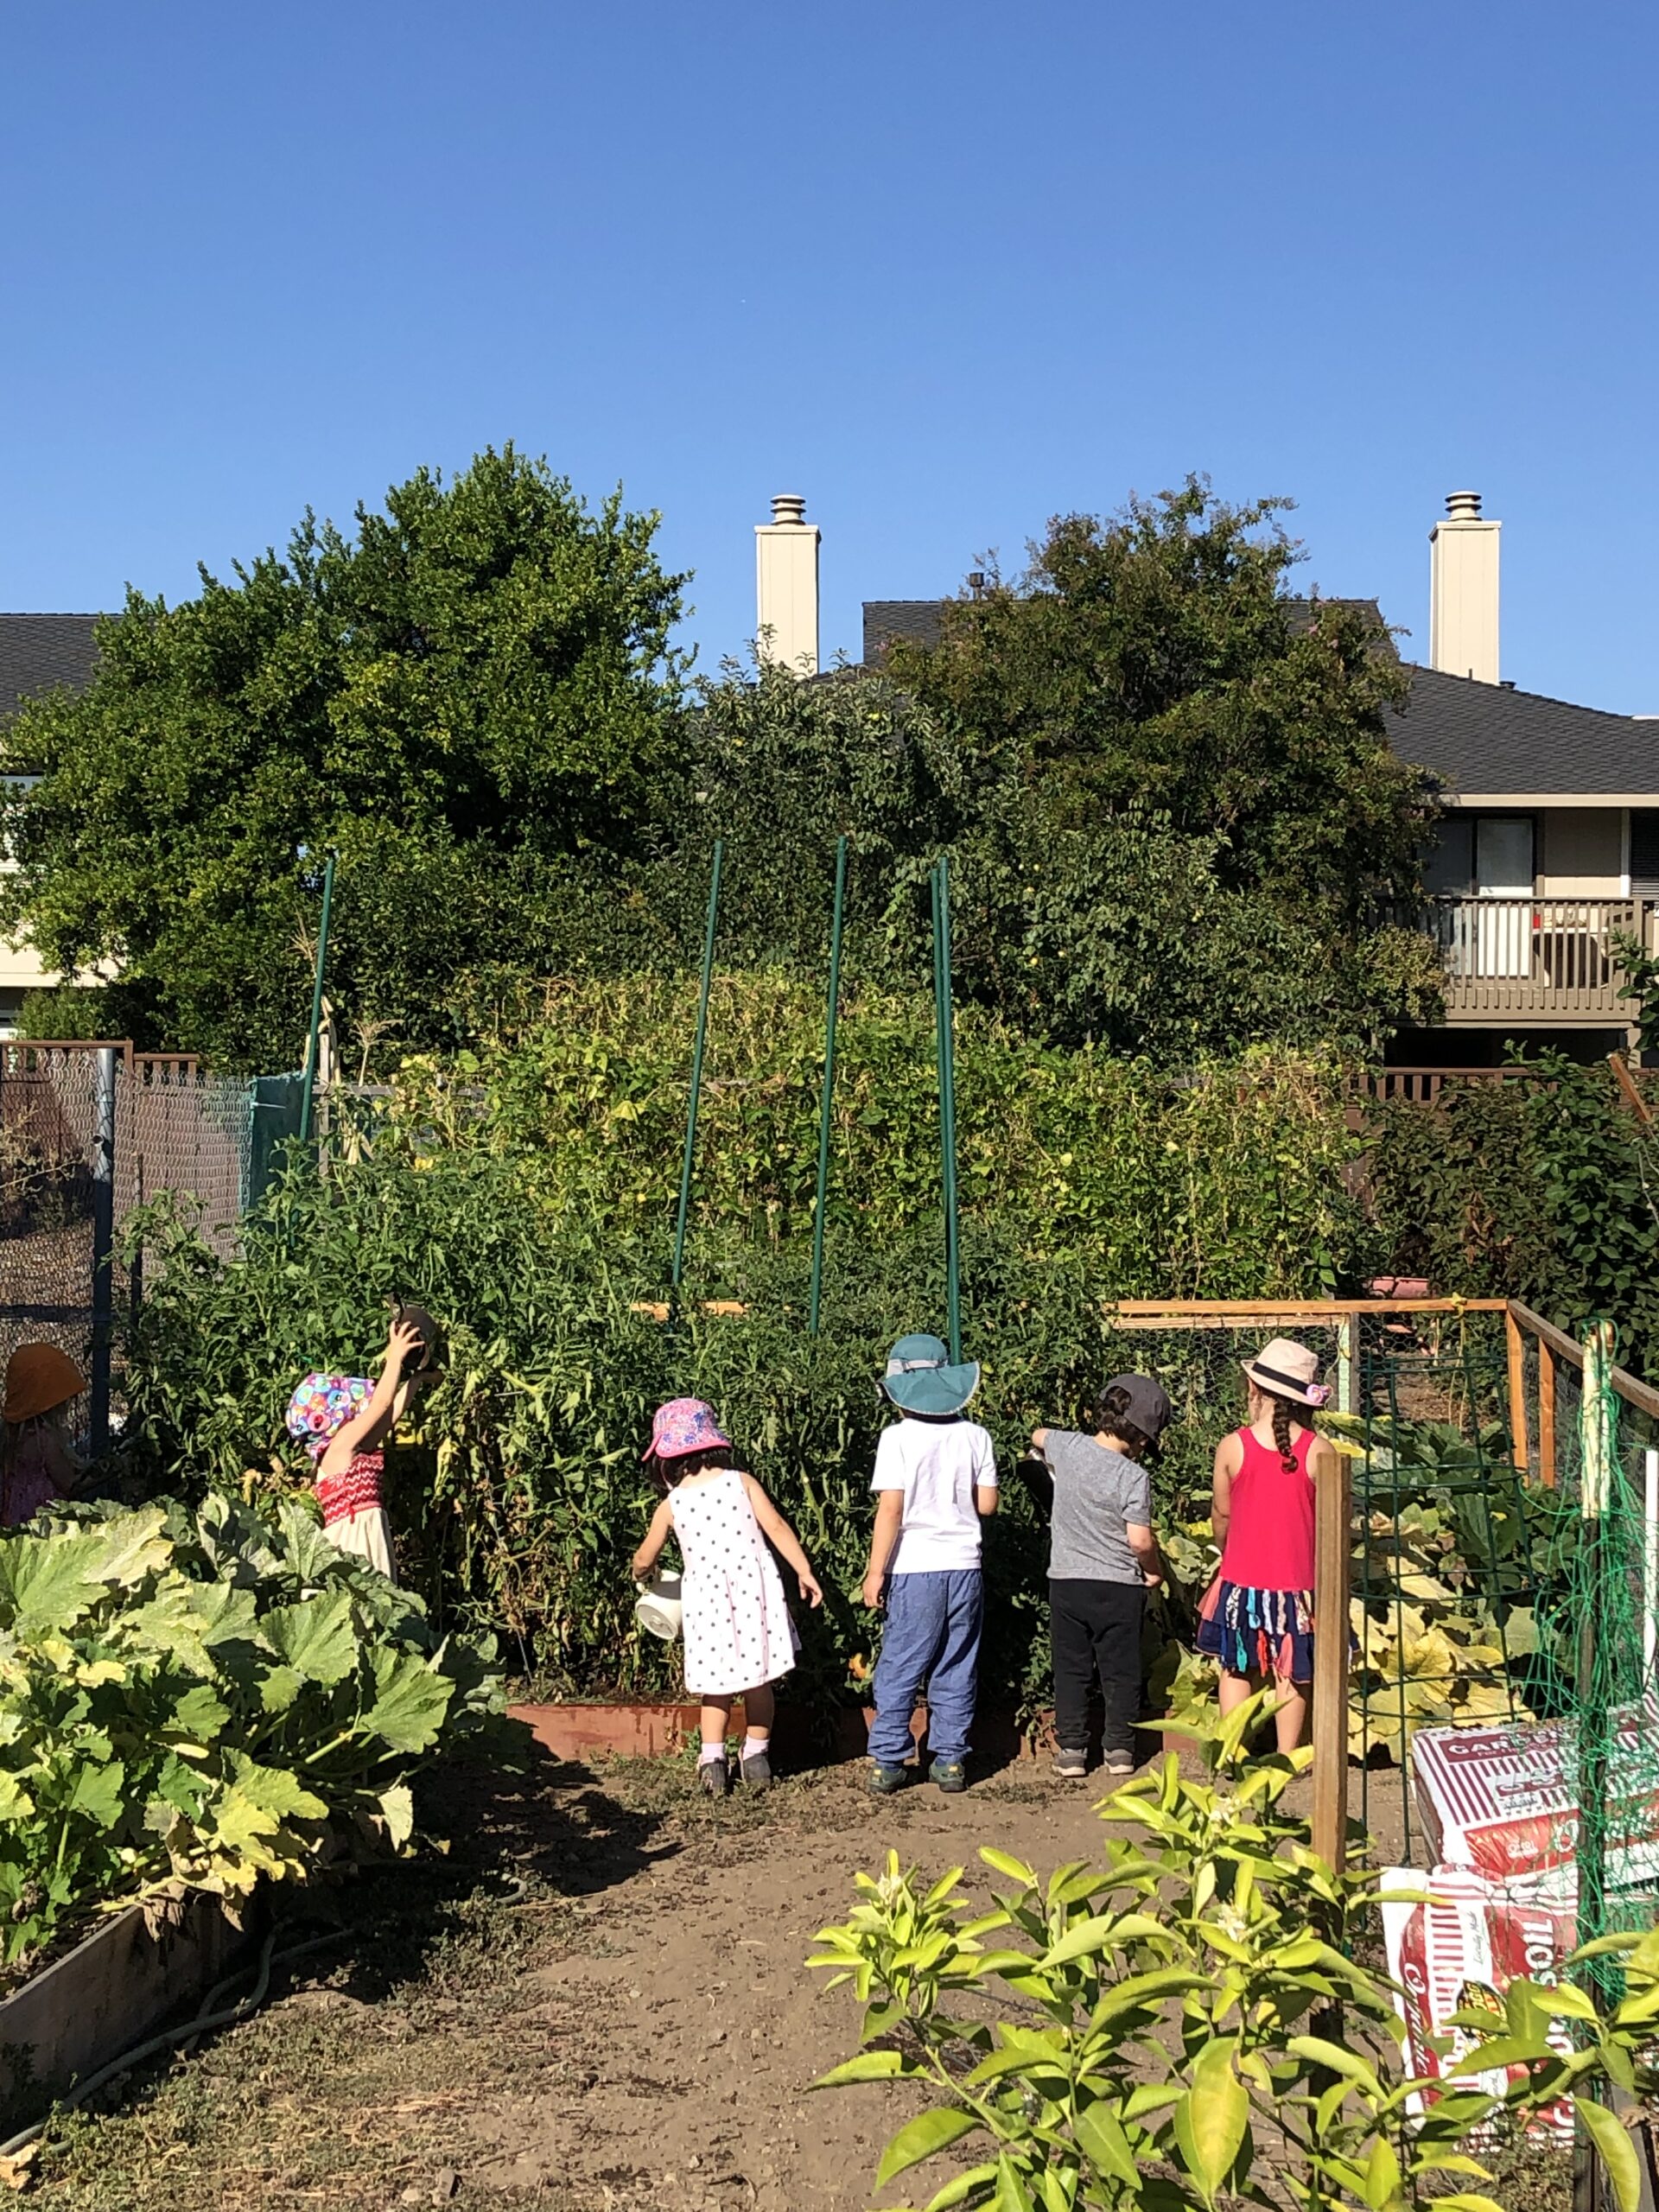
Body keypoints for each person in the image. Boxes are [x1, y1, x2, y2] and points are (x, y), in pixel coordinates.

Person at [631, 1397, 823, 1797]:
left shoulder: (671, 1505)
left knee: (715, 1686)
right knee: (759, 1681)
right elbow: (777, 1526)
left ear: (666, 1458)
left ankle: (713, 1761)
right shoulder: (742, 1482)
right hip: (755, 1595)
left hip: (708, 1603)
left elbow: (645, 1555)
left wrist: (641, 1573)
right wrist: (804, 1570)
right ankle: (756, 1757)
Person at [860, 1333, 997, 1796]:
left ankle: (888, 1760)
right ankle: (951, 1760)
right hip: (965, 1566)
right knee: (956, 1662)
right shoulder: (976, 1435)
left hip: (914, 1567)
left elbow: (891, 1511)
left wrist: (875, 1571)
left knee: (900, 1662)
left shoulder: (896, 1439)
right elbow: (988, 1505)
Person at [1196, 1336, 1336, 1754]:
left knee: (1235, 1665)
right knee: (1290, 1673)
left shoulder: (1232, 1446)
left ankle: (1231, 1749)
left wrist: (1227, 1550)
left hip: (1241, 1579)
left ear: (1255, 1390)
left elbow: (1221, 1516)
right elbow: (1333, 1525)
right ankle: (1288, 1754)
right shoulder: (1320, 1451)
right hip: (1299, 1584)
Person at [1027, 1373, 1172, 1780]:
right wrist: (1154, 1573)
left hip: (1067, 1582)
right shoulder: (1134, 1478)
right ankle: (1120, 1750)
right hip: (1119, 1587)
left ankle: (1072, 1750)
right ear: (1143, 1439)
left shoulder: (1069, 1445)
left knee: (1071, 1668)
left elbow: (1038, 1435)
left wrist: (1048, 1447)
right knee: (1120, 1671)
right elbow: (1140, 1541)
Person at [285, 1306, 437, 1580]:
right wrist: (395, 1356)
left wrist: (416, 1381)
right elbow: (380, 1404)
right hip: (352, 1548)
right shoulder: (337, 1449)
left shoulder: (351, 1449)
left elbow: (388, 1417)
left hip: (366, 1540)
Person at [2, 1343, 88, 1528]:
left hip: (12, 1515)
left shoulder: (10, 1434)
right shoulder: (44, 1438)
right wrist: (109, 1471)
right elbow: (68, 1483)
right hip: (43, 1522)